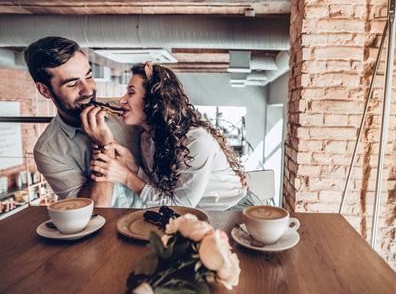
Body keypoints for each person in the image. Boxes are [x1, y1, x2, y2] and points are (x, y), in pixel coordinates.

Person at [87, 61, 262, 210]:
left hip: (235, 210)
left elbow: (179, 207)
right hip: (200, 216)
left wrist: (126, 176)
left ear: (154, 101)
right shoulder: (146, 139)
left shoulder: (196, 141)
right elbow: (162, 192)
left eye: (131, 93)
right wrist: (133, 166)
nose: (122, 100)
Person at [24, 36, 146, 208]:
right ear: (45, 90)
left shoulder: (126, 111)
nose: (88, 90)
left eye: (88, 77)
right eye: (73, 84)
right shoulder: (48, 151)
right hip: (105, 233)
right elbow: (90, 210)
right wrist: (105, 146)